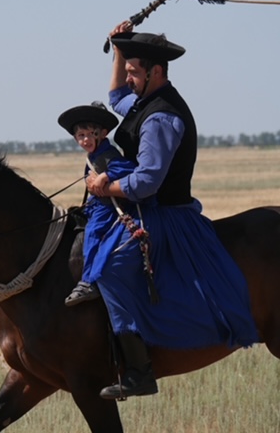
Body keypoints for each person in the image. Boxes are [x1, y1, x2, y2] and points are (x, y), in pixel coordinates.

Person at [87, 23, 260, 400]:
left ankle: (139, 371)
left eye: (134, 71)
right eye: (129, 70)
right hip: (143, 206)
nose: (128, 78)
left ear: (156, 72)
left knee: (113, 269)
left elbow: (147, 181)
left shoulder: (162, 118)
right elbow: (116, 95)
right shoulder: (143, 99)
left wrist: (106, 187)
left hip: (166, 215)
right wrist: (119, 48)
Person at [57, 102, 137, 307]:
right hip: (96, 205)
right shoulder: (93, 156)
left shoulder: (109, 155)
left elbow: (129, 168)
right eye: (80, 136)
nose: (84, 140)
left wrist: (106, 176)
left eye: (88, 134)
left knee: (92, 234)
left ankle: (88, 281)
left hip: (106, 208)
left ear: (101, 133)